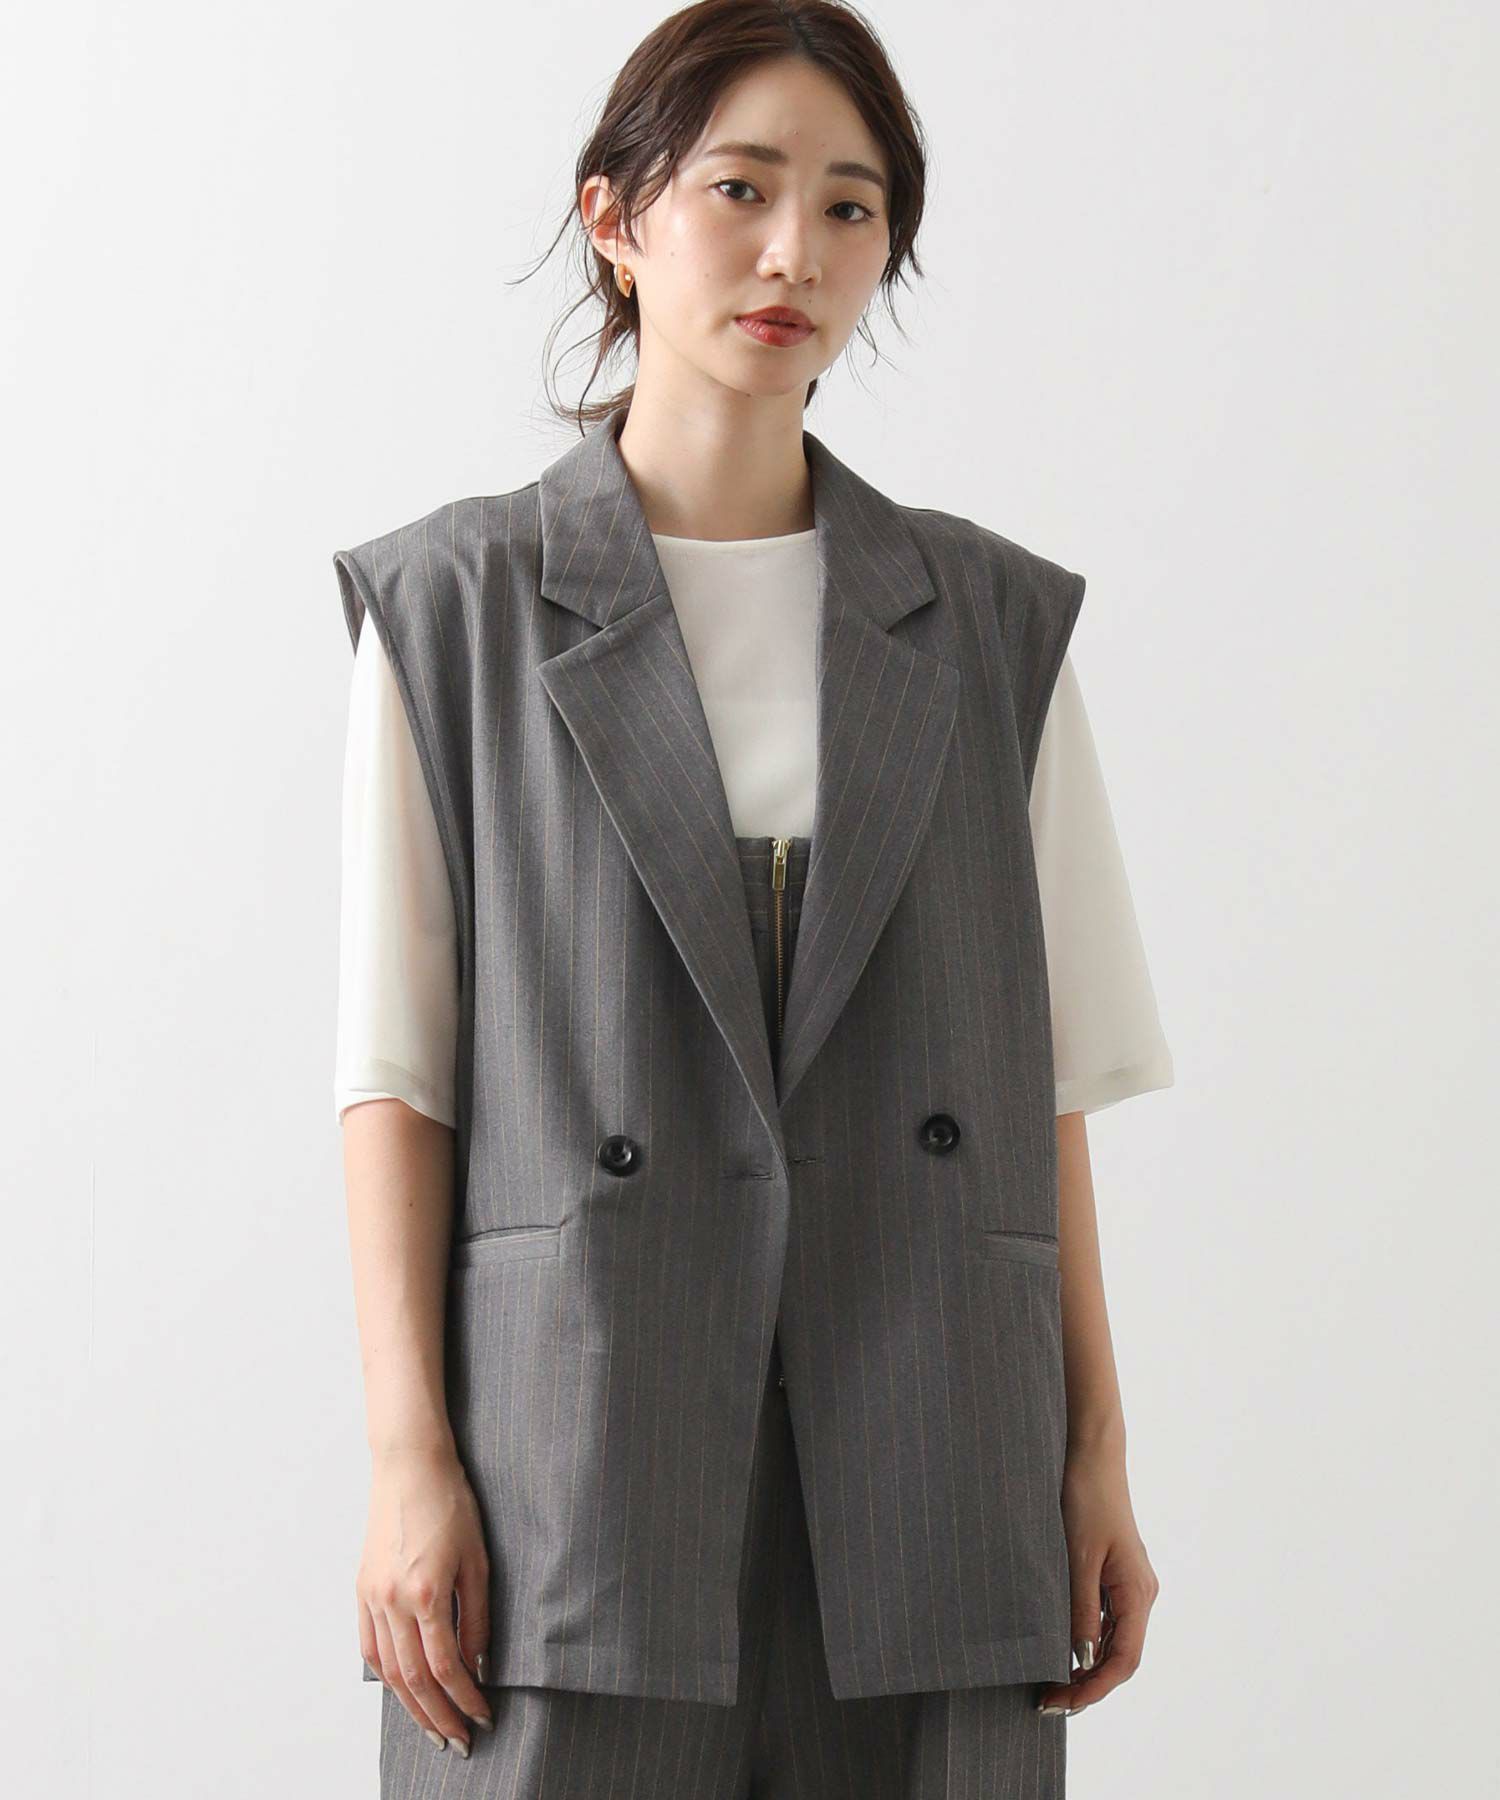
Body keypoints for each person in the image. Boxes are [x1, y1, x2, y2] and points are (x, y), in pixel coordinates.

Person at [335, 4, 1172, 1793]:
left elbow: (1043, 1093)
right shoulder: (455, 609)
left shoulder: (987, 625)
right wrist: (410, 1461)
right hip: (578, 1465)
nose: (797, 251)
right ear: (615, 217)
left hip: (937, 1454)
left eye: (852, 207)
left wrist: (1097, 1448)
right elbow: (397, 1084)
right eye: (741, 188)